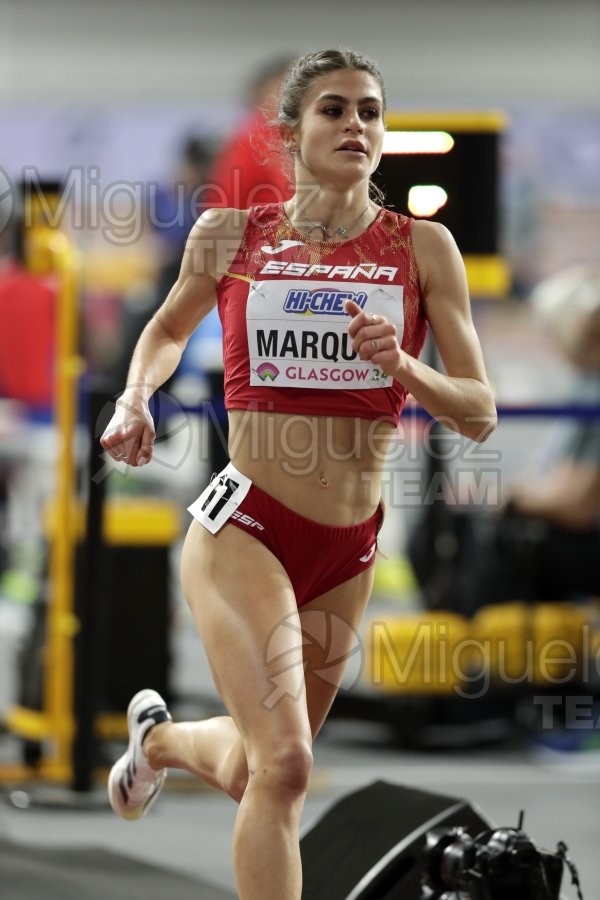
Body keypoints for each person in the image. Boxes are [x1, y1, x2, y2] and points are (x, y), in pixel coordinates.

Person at [100, 48, 496, 900]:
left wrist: (406, 368)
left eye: (371, 111)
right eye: (333, 110)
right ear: (290, 131)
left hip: (347, 550)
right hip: (245, 528)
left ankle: (162, 744)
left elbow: (478, 410)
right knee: (286, 767)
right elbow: (168, 330)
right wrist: (136, 397)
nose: (356, 125)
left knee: (256, 772)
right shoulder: (233, 233)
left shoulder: (425, 249)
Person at [205, 55, 295, 209]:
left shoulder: (300, 137)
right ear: (262, 91)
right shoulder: (249, 140)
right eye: (283, 85)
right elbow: (224, 204)